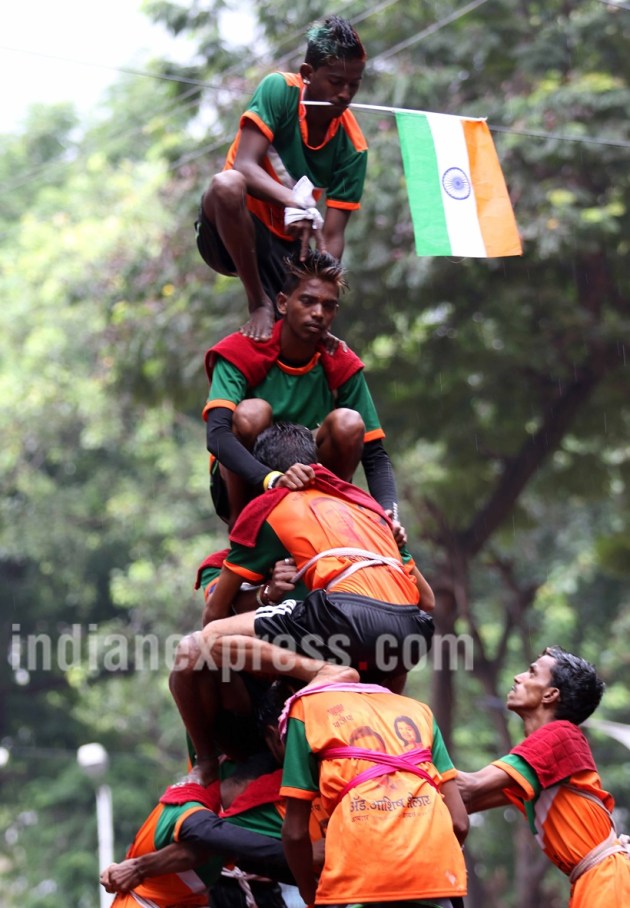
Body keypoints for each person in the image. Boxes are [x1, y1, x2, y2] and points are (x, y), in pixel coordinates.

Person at [170, 422, 435, 786]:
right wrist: (267, 592)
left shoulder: (274, 505)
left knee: (210, 639)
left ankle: (343, 697)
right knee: (193, 652)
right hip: (408, 633)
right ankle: (212, 761)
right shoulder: (368, 508)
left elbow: (212, 621)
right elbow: (428, 601)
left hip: (339, 633)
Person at [195, 15, 368, 341]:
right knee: (225, 184)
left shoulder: (353, 146)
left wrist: (321, 294)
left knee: (294, 339)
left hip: (288, 247)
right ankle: (258, 301)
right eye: (335, 82)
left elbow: (332, 235)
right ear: (307, 74)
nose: (345, 94)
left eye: (354, 85)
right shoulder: (279, 90)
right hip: (231, 229)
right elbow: (243, 166)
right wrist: (297, 202)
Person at [204, 250, 402, 532]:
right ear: (283, 303)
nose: (318, 313)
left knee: (348, 422)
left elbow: (375, 454)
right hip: (251, 480)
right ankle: (245, 530)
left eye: (328, 305)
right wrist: (271, 479)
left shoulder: (340, 360)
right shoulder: (241, 350)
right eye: (307, 301)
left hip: (311, 477)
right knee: (252, 412)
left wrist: (388, 514)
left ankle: (330, 518)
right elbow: (217, 436)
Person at [100, 684, 327, 908]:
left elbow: (208, 853)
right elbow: (206, 835)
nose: (253, 809)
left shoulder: (214, 838)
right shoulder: (185, 802)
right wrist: (303, 853)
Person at [456, 646, 630, 907]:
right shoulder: (543, 763)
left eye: (531, 673)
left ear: (550, 694)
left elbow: (468, 787)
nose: (518, 677)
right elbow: (465, 801)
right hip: (598, 881)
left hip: (606, 882)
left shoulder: (559, 735)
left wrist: (412, 748)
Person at [279, 680, 468, 908]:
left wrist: (310, 895)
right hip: (436, 887)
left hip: (355, 890)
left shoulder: (307, 708)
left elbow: (295, 834)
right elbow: (459, 823)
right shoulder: (419, 711)